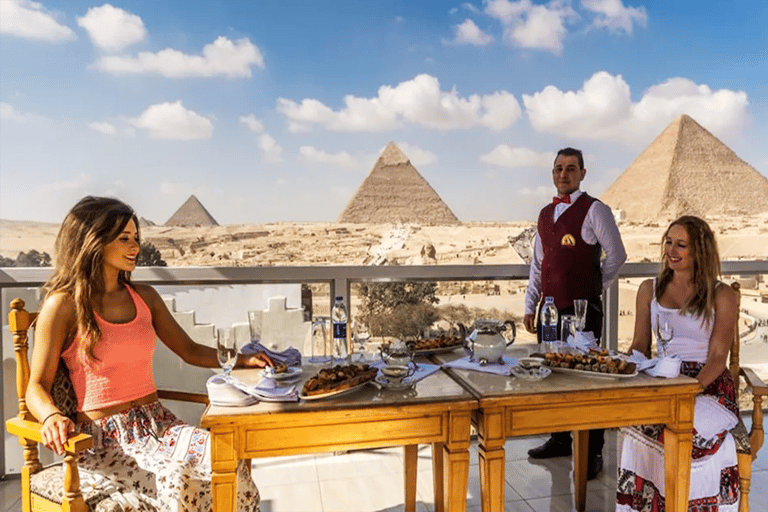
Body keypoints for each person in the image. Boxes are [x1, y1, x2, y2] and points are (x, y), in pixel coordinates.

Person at [26, 196, 275, 512]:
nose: (135, 247)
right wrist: (51, 416)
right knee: (178, 475)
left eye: (136, 238)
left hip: (159, 424)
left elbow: (188, 350)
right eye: (124, 238)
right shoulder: (62, 305)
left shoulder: (145, 297)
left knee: (224, 455)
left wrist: (239, 360)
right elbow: (35, 387)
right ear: (93, 242)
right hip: (105, 441)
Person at [616, 216, 740, 511]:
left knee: (686, 434)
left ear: (700, 250)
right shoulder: (650, 289)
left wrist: (686, 391)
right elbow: (639, 347)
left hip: (708, 386)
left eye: (681, 244)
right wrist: (621, 367)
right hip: (664, 379)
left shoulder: (722, 295)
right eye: (669, 242)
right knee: (635, 425)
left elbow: (718, 358)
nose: (671, 250)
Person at [523, 147, 627, 479]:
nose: (563, 174)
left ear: (583, 173)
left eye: (570, 168)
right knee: (552, 373)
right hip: (550, 312)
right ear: (552, 174)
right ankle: (559, 438)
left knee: (587, 378)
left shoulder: (595, 209)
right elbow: (538, 266)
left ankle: (593, 450)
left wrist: (595, 286)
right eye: (557, 169)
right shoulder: (543, 214)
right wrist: (530, 305)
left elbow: (617, 255)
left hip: (582, 312)